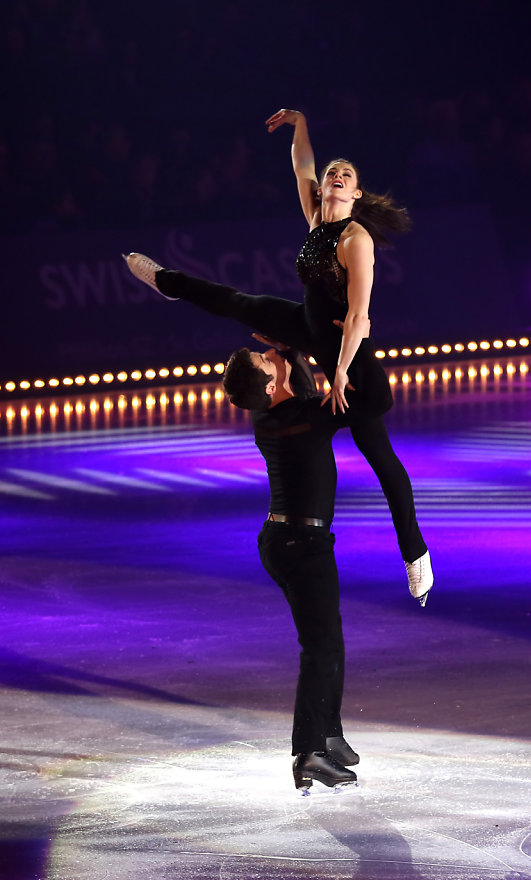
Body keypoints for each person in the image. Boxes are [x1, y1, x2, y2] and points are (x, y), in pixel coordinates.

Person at [122, 108, 432, 606]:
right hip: (309, 328)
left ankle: (415, 555)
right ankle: (166, 281)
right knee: (242, 302)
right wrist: (303, 122)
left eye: (346, 175)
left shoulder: (357, 240)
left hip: (351, 364)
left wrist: (339, 373)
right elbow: (301, 163)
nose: (335, 176)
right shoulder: (315, 217)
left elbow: (358, 319)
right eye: (333, 172)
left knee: (381, 460)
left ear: (355, 195)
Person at [222, 336, 393, 792]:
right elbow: (377, 399)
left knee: (328, 642)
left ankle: (329, 733)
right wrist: (354, 348)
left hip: (290, 540)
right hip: (301, 546)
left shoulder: (271, 413)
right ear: (270, 383)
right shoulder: (302, 419)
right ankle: (308, 753)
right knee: (320, 647)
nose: (270, 355)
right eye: (264, 359)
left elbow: (294, 374)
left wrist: (289, 350)